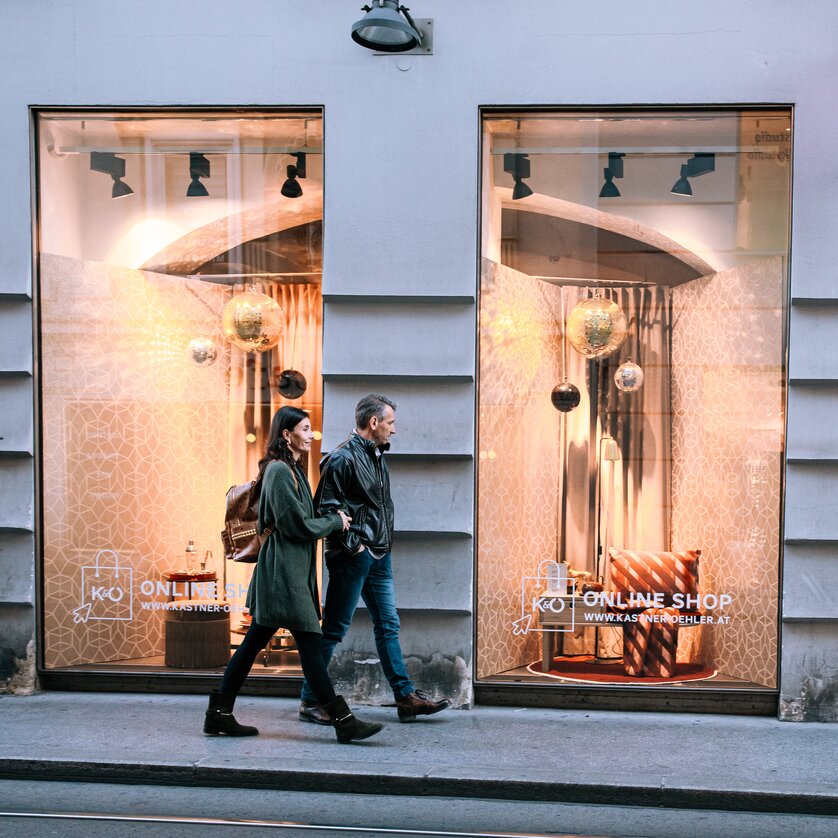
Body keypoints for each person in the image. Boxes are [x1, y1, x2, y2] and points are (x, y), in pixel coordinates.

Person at [204, 406, 384, 744]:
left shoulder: (292, 469)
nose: (310, 434)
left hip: (290, 573)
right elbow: (296, 525)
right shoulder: (278, 471)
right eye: (304, 428)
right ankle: (342, 719)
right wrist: (336, 522)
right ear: (287, 435)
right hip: (281, 575)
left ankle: (219, 714)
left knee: (255, 645)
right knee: (310, 647)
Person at [299, 394, 452, 724]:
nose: (394, 430)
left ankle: (405, 697)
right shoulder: (341, 458)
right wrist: (356, 547)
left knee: (388, 625)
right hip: (353, 558)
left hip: (378, 556)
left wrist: (375, 547)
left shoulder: (375, 456)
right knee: (335, 630)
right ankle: (310, 700)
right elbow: (325, 511)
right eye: (391, 422)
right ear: (373, 423)